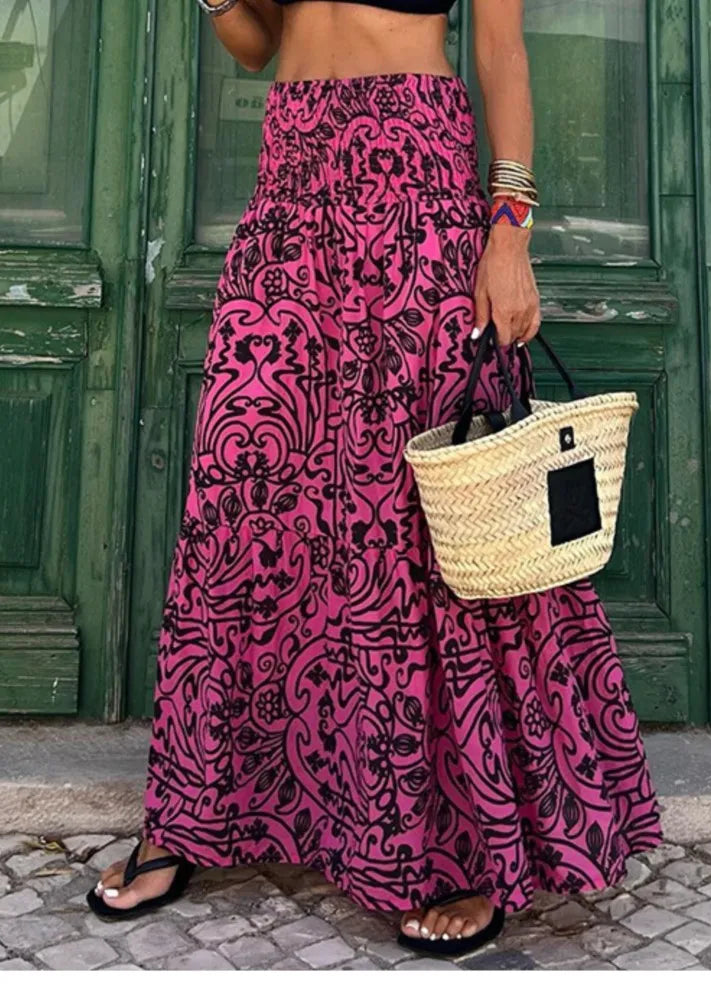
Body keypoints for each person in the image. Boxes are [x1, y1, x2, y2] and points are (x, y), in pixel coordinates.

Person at [87, 0, 664, 958]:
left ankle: (466, 843)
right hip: (290, 188)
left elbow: (501, 52)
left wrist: (509, 234)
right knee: (245, 495)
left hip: (417, 190)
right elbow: (259, 42)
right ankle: (195, 812)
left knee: (421, 519)